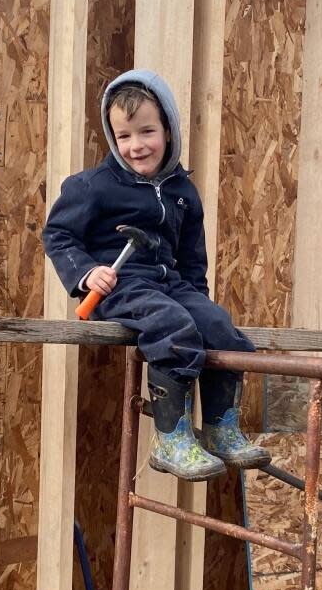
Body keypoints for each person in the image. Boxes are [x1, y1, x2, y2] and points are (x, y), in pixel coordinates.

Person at [42, 69, 269, 481]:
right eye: (123, 136)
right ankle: (172, 439)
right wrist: (87, 273)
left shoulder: (183, 191)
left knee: (221, 328)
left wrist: (201, 306)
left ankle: (221, 430)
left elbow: (191, 257)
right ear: (113, 137)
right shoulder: (93, 186)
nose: (135, 146)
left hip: (170, 284)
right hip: (120, 285)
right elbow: (58, 235)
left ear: (167, 128)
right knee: (172, 326)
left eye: (146, 132)